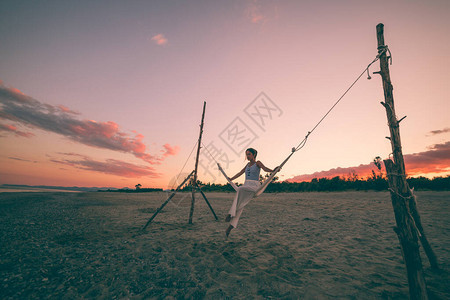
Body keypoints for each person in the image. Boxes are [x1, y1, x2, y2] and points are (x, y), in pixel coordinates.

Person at [225, 148, 278, 237]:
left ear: (254, 155)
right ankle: (229, 228)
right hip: (246, 186)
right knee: (240, 206)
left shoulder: (258, 163)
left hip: (254, 187)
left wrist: (273, 171)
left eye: (249, 154)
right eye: (246, 154)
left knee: (240, 189)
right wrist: (231, 179)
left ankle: (230, 214)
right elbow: (240, 173)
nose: (247, 156)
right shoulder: (247, 165)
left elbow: (265, 169)